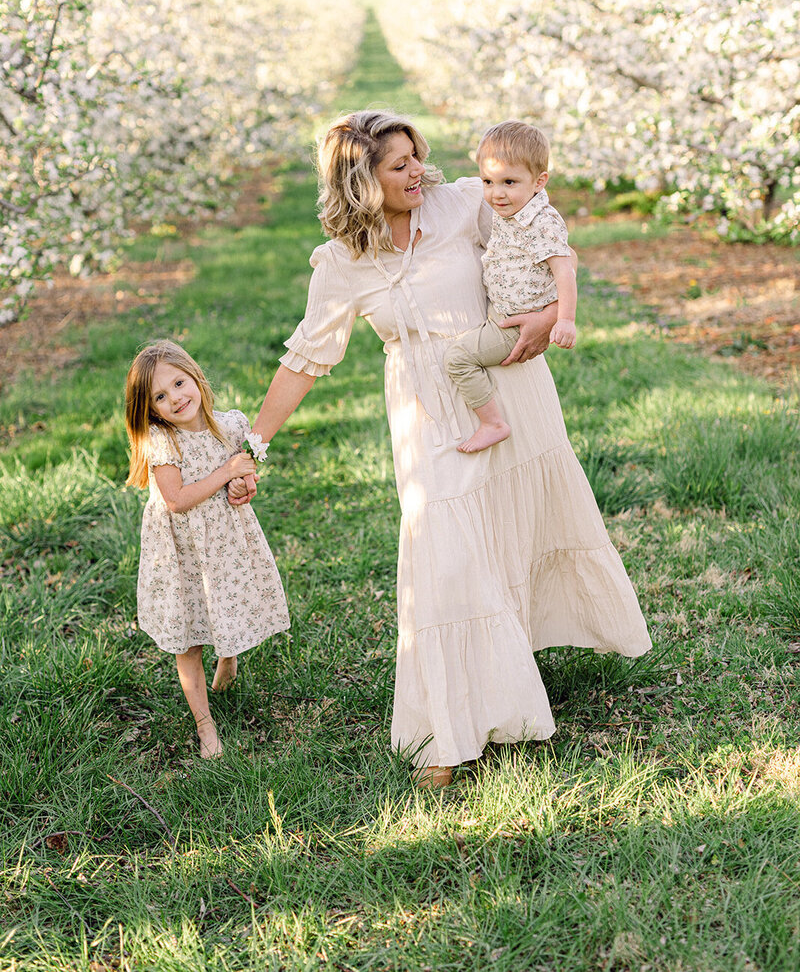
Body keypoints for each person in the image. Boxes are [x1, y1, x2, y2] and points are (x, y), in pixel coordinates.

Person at [232, 110, 650, 788]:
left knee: (505, 530)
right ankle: (448, 732)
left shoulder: (459, 202)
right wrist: (256, 442)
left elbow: (542, 241)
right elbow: (307, 357)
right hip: (426, 413)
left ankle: (505, 672)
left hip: (508, 388)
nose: (418, 170)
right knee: (444, 551)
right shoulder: (342, 263)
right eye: (399, 165)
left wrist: (549, 316)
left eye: (417, 155)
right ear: (360, 181)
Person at [125, 339, 289, 759]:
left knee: (225, 604)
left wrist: (242, 483)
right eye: (160, 396)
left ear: (195, 377)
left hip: (224, 547)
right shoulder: (162, 441)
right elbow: (176, 499)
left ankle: (228, 658)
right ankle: (205, 726)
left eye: (179, 383)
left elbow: (246, 479)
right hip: (182, 554)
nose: (176, 398)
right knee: (189, 635)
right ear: (150, 409)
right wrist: (226, 473)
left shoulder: (232, 426)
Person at [445, 120, 577, 454]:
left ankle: (493, 423)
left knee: (458, 358)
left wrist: (563, 320)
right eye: (488, 181)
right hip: (504, 307)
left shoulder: (541, 222)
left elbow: (566, 271)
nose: (496, 193)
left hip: (514, 323)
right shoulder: (512, 210)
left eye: (508, 182)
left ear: (539, 182)